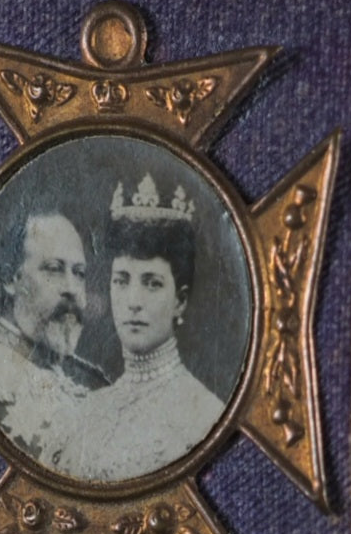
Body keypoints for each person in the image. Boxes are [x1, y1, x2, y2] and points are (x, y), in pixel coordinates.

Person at [57, 174, 225, 482]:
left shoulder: (203, 414)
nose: (133, 301)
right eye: (122, 281)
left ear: (180, 301)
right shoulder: (90, 409)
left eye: (152, 283)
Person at [0, 209, 106, 468]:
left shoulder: (92, 383)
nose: (72, 289)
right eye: (54, 269)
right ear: (11, 278)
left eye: (80, 273)